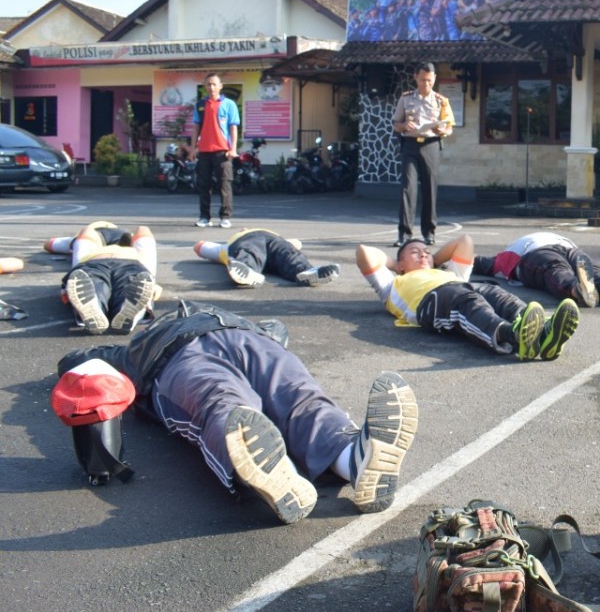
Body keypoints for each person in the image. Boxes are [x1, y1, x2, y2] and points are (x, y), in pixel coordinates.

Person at [53, 301, 418, 524]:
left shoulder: (147, 338)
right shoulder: (134, 349)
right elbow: (76, 360)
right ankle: (284, 475)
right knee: (228, 402)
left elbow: (279, 329)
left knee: (296, 395)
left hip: (246, 337)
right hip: (180, 359)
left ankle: (356, 458)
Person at [357, 236, 579, 361]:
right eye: (415, 252)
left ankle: (544, 336)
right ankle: (512, 335)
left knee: (496, 293)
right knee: (467, 301)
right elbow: (364, 252)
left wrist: (431, 258)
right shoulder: (391, 285)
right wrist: (397, 267)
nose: (424, 254)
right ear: (401, 263)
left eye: (427, 251)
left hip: (458, 286)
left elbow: (465, 242)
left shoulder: (451, 272)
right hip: (431, 302)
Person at [472, 232, 600, 308]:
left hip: (536, 251)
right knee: (589, 269)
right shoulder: (508, 253)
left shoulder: (504, 255)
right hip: (565, 246)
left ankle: (581, 290)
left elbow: (477, 261)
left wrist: (449, 261)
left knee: (555, 270)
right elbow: (477, 261)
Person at [391, 62, 455, 246]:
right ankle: (404, 234)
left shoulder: (442, 101)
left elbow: (449, 127)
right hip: (410, 145)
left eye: (429, 80)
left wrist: (442, 131)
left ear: (434, 79)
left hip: (431, 145)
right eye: (422, 80)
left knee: (430, 188)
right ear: (415, 78)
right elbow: (396, 123)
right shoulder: (406, 98)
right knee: (408, 188)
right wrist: (404, 126)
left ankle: (429, 232)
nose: (426, 84)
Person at [61, 223, 158, 336]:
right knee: (131, 285)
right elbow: (143, 230)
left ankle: (96, 304)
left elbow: (49, 244)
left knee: (92, 284)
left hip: (94, 262)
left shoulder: (88, 235)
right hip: (130, 263)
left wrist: (73, 242)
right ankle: (129, 311)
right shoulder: (132, 242)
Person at [193, 228, 340, 288]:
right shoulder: (227, 246)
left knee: (287, 252)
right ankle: (247, 271)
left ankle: (307, 272)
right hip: (261, 241)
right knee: (286, 252)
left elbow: (200, 246)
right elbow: (200, 246)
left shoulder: (227, 245)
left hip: (274, 241)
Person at [192, 72, 240, 229]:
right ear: (205, 87)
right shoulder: (200, 104)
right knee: (203, 185)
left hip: (222, 152)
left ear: (220, 86)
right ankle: (204, 217)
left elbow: (233, 127)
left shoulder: (229, 104)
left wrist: (233, 148)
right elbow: (196, 128)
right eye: (208, 84)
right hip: (204, 151)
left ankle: (225, 217)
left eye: (214, 84)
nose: (211, 87)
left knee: (224, 185)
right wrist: (193, 148)